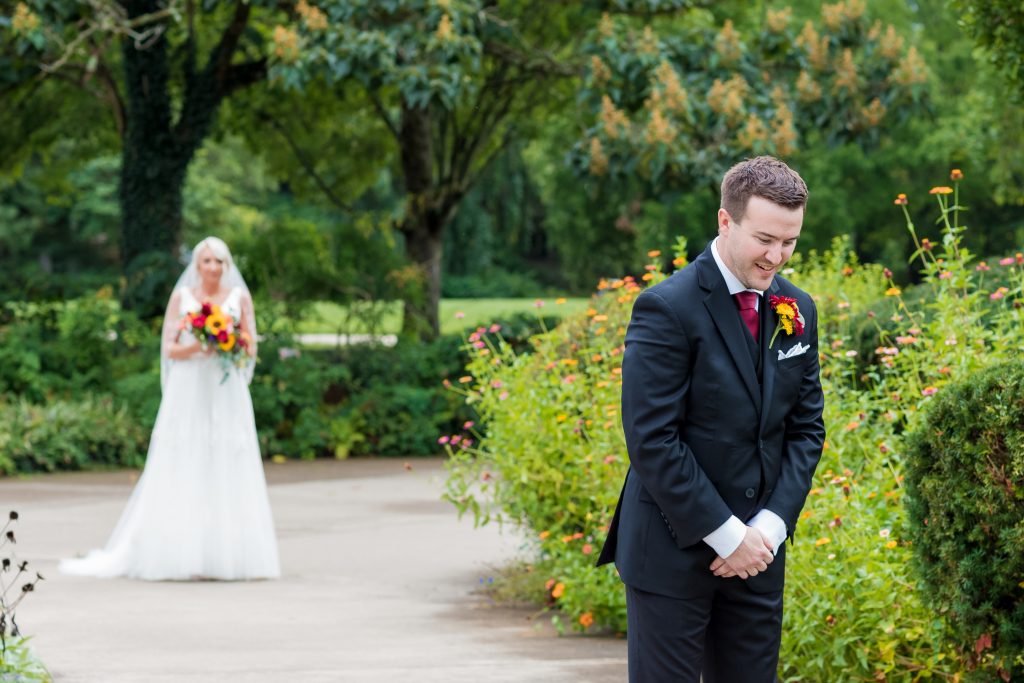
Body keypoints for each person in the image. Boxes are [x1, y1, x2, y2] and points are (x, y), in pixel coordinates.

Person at [596, 156, 825, 682]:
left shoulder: (798, 308)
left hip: (760, 558)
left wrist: (766, 531)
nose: (777, 256)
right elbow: (653, 439)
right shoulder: (666, 308)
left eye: (790, 241)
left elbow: (806, 429)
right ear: (726, 221)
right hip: (672, 554)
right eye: (765, 238)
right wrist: (727, 537)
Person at [60, 237, 280, 581]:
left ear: (226, 266)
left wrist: (230, 344)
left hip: (225, 392)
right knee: (186, 459)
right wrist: (199, 347)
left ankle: (228, 556)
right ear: (196, 265)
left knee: (225, 460)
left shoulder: (240, 298)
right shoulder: (183, 298)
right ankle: (181, 554)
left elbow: (250, 344)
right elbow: (168, 349)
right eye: (207, 261)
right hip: (190, 389)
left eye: (219, 261)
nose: (213, 267)